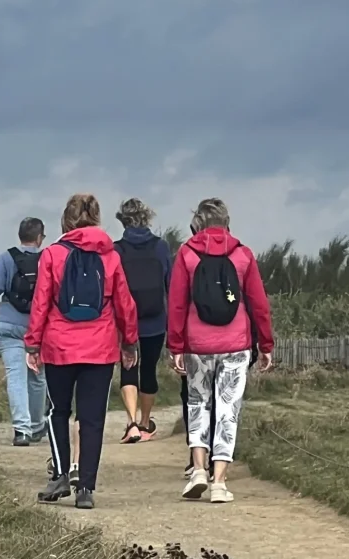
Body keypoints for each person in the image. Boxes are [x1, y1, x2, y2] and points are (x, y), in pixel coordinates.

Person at [25, 192, 138, 510]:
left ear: (67, 219)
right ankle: (86, 487)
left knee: (57, 412)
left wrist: (32, 343)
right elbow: (125, 304)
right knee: (92, 418)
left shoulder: (52, 255)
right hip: (100, 349)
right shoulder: (111, 256)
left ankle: (60, 474)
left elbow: (41, 303)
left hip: (59, 346)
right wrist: (129, 342)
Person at [168, 197, 274, 504]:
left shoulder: (187, 254)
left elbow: (175, 303)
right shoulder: (242, 254)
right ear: (226, 222)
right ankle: (219, 481)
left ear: (198, 223)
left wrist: (176, 345)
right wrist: (265, 344)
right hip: (236, 345)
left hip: (197, 345)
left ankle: (198, 469)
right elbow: (259, 304)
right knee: (228, 411)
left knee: (198, 403)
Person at [0, 217, 47, 446]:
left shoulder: (7, 257)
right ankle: (38, 425)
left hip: (8, 323)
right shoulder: (46, 259)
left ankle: (22, 430)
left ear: (20, 235)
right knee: (37, 378)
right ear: (39, 238)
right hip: (37, 327)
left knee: (16, 377)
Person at [114, 198, 172, 443]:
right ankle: (147, 423)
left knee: (128, 369)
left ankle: (131, 424)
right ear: (147, 218)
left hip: (125, 322)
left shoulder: (116, 249)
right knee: (148, 370)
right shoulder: (161, 247)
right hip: (155, 320)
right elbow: (170, 283)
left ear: (123, 220)